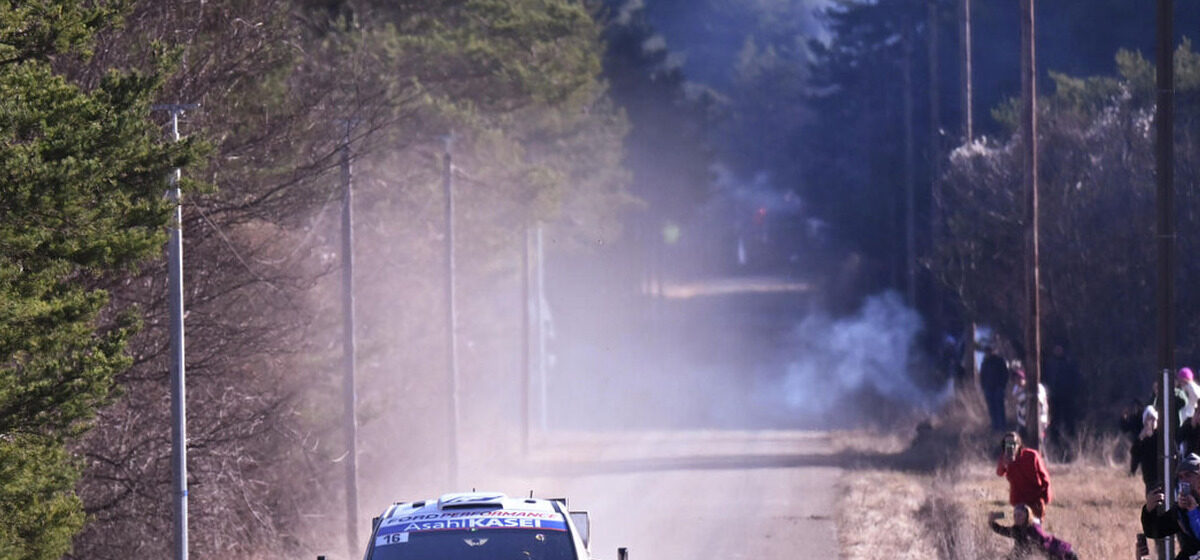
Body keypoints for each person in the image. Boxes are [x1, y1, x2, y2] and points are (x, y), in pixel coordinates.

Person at [1141, 453, 1200, 559]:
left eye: (1188, 475)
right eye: (1181, 477)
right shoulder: (1182, 509)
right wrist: (1149, 510)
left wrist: (1193, 512)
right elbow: (1156, 531)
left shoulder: (1190, 508)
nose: (1184, 481)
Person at [988, 503, 1079, 560]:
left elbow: (1048, 548)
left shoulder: (1033, 531)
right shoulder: (1017, 529)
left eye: (1020, 515)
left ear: (1027, 516)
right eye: (1015, 515)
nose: (1016, 517)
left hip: (1065, 554)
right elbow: (1002, 531)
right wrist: (991, 522)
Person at [997, 431, 1053, 519]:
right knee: (1020, 525)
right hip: (1019, 501)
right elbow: (999, 473)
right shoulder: (1005, 458)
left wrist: (1045, 498)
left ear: (1019, 445)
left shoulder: (1032, 455)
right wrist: (1004, 464)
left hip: (1035, 499)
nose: (1011, 447)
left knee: (1035, 525)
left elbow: (1045, 478)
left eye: (1013, 443)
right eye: (1008, 444)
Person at [1042, 342, 1081, 441]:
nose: (1058, 351)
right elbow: (1046, 378)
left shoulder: (1069, 363)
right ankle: (1055, 440)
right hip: (1054, 397)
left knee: (1069, 420)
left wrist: (1073, 392)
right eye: (1056, 349)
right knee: (1054, 420)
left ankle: (1071, 439)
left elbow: (1075, 379)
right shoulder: (1050, 363)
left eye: (1059, 349)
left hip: (1067, 396)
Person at [1012, 364, 1050, 443]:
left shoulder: (1038, 388)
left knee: (1039, 442)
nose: (1017, 381)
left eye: (1019, 378)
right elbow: (1015, 401)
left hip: (1039, 421)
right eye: (1015, 379)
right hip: (1023, 422)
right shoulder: (1016, 389)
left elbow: (1040, 402)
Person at [1130, 406, 1161, 494]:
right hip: (1149, 479)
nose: (1152, 422)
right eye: (1149, 419)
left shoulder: (1161, 436)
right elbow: (1135, 453)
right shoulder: (1143, 439)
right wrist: (1141, 437)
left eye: (1154, 419)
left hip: (1161, 477)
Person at [981, 345, 1011, 431]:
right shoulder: (985, 363)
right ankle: (995, 427)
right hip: (988, 389)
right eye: (986, 352)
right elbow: (982, 376)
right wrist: (983, 387)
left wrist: (1002, 385)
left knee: (1000, 408)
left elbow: (1005, 374)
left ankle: (1002, 426)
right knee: (992, 409)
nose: (988, 353)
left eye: (989, 351)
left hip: (998, 388)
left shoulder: (1000, 361)